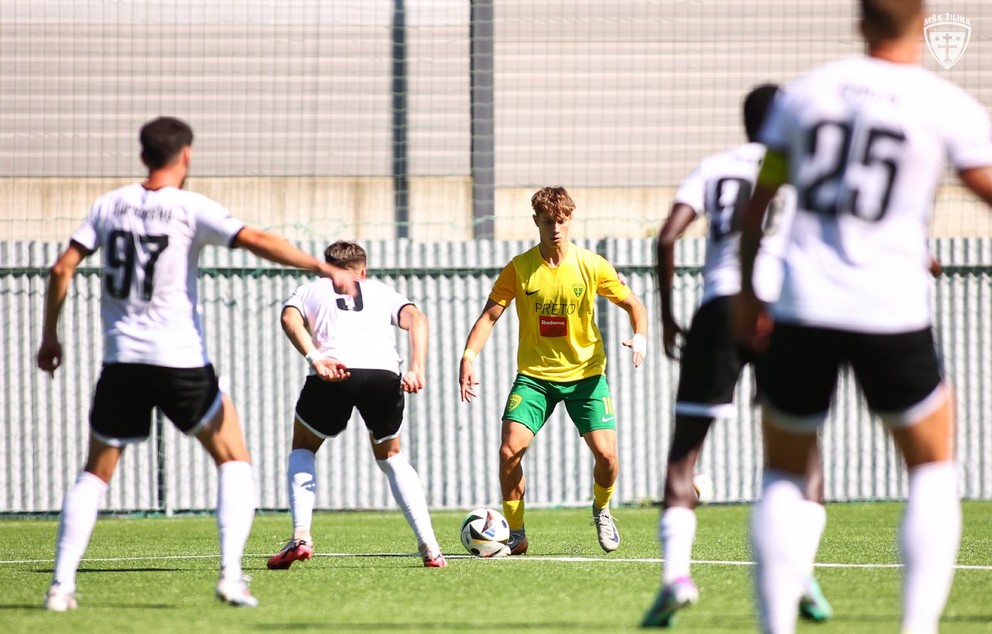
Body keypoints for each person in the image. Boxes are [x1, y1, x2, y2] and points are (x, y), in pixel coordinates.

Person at [734, 1, 992, 632]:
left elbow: (758, 204)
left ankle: (774, 627)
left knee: (784, 473)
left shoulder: (806, 95)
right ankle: (917, 627)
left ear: (860, 20)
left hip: (802, 305)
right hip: (891, 307)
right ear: (925, 21)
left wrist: (748, 293)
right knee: (931, 464)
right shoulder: (944, 104)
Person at [37, 116, 354, 611]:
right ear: (186, 155)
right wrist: (317, 265)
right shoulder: (189, 208)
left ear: (143, 156)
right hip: (181, 362)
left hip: (122, 362)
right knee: (234, 459)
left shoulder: (107, 205)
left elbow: (62, 268)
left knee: (95, 473)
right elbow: (256, 239)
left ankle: (60, 587)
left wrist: (49, 337)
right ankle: (230, 576)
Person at [642, 85, 831, 628]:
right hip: (784, 312)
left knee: (685, 456)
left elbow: (667, 237)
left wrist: (669, 314)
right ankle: (799, 570)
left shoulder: (715, 166)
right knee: (804, 455)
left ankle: (677, 576)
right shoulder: (802, 169)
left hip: (719, 309)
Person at [459, 186, 648, 555]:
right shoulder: (519, 268)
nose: (556, 228)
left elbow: (633, 304)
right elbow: (489, 316)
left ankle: (602, 509)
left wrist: (639, 336)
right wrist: (468, 355)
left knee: (607, 457)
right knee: (508, 452)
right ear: (536, 222)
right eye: (548, 221)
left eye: (561, 221)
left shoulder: (592, 265)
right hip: (535, 378)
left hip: (586, 377)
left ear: (570, 220)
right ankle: (516, 533)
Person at [266, 240, 447, 570]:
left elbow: (289, 319)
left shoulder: (310, 289)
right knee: (392, 457)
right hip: (383, 373)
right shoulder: (381, 290)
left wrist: (316, 358)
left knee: (303, 448)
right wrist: (416, 368)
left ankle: (301, 535)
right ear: (362, 270)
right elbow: (417, 318)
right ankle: (431, 547)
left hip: (334, 371)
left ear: (327, 265)